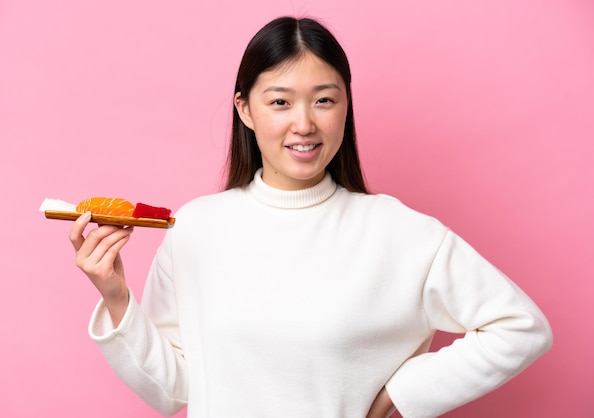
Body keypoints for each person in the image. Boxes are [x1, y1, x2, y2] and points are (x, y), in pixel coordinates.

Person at [69, 16, 552, 418]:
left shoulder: (400, 233)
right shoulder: (196, 228)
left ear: (346, 106)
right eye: (280, 101)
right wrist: (115, 297)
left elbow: (521, 327)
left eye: (324, 99)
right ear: (245, 109)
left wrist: (404, 395)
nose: (304, 124)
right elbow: (170, 390)